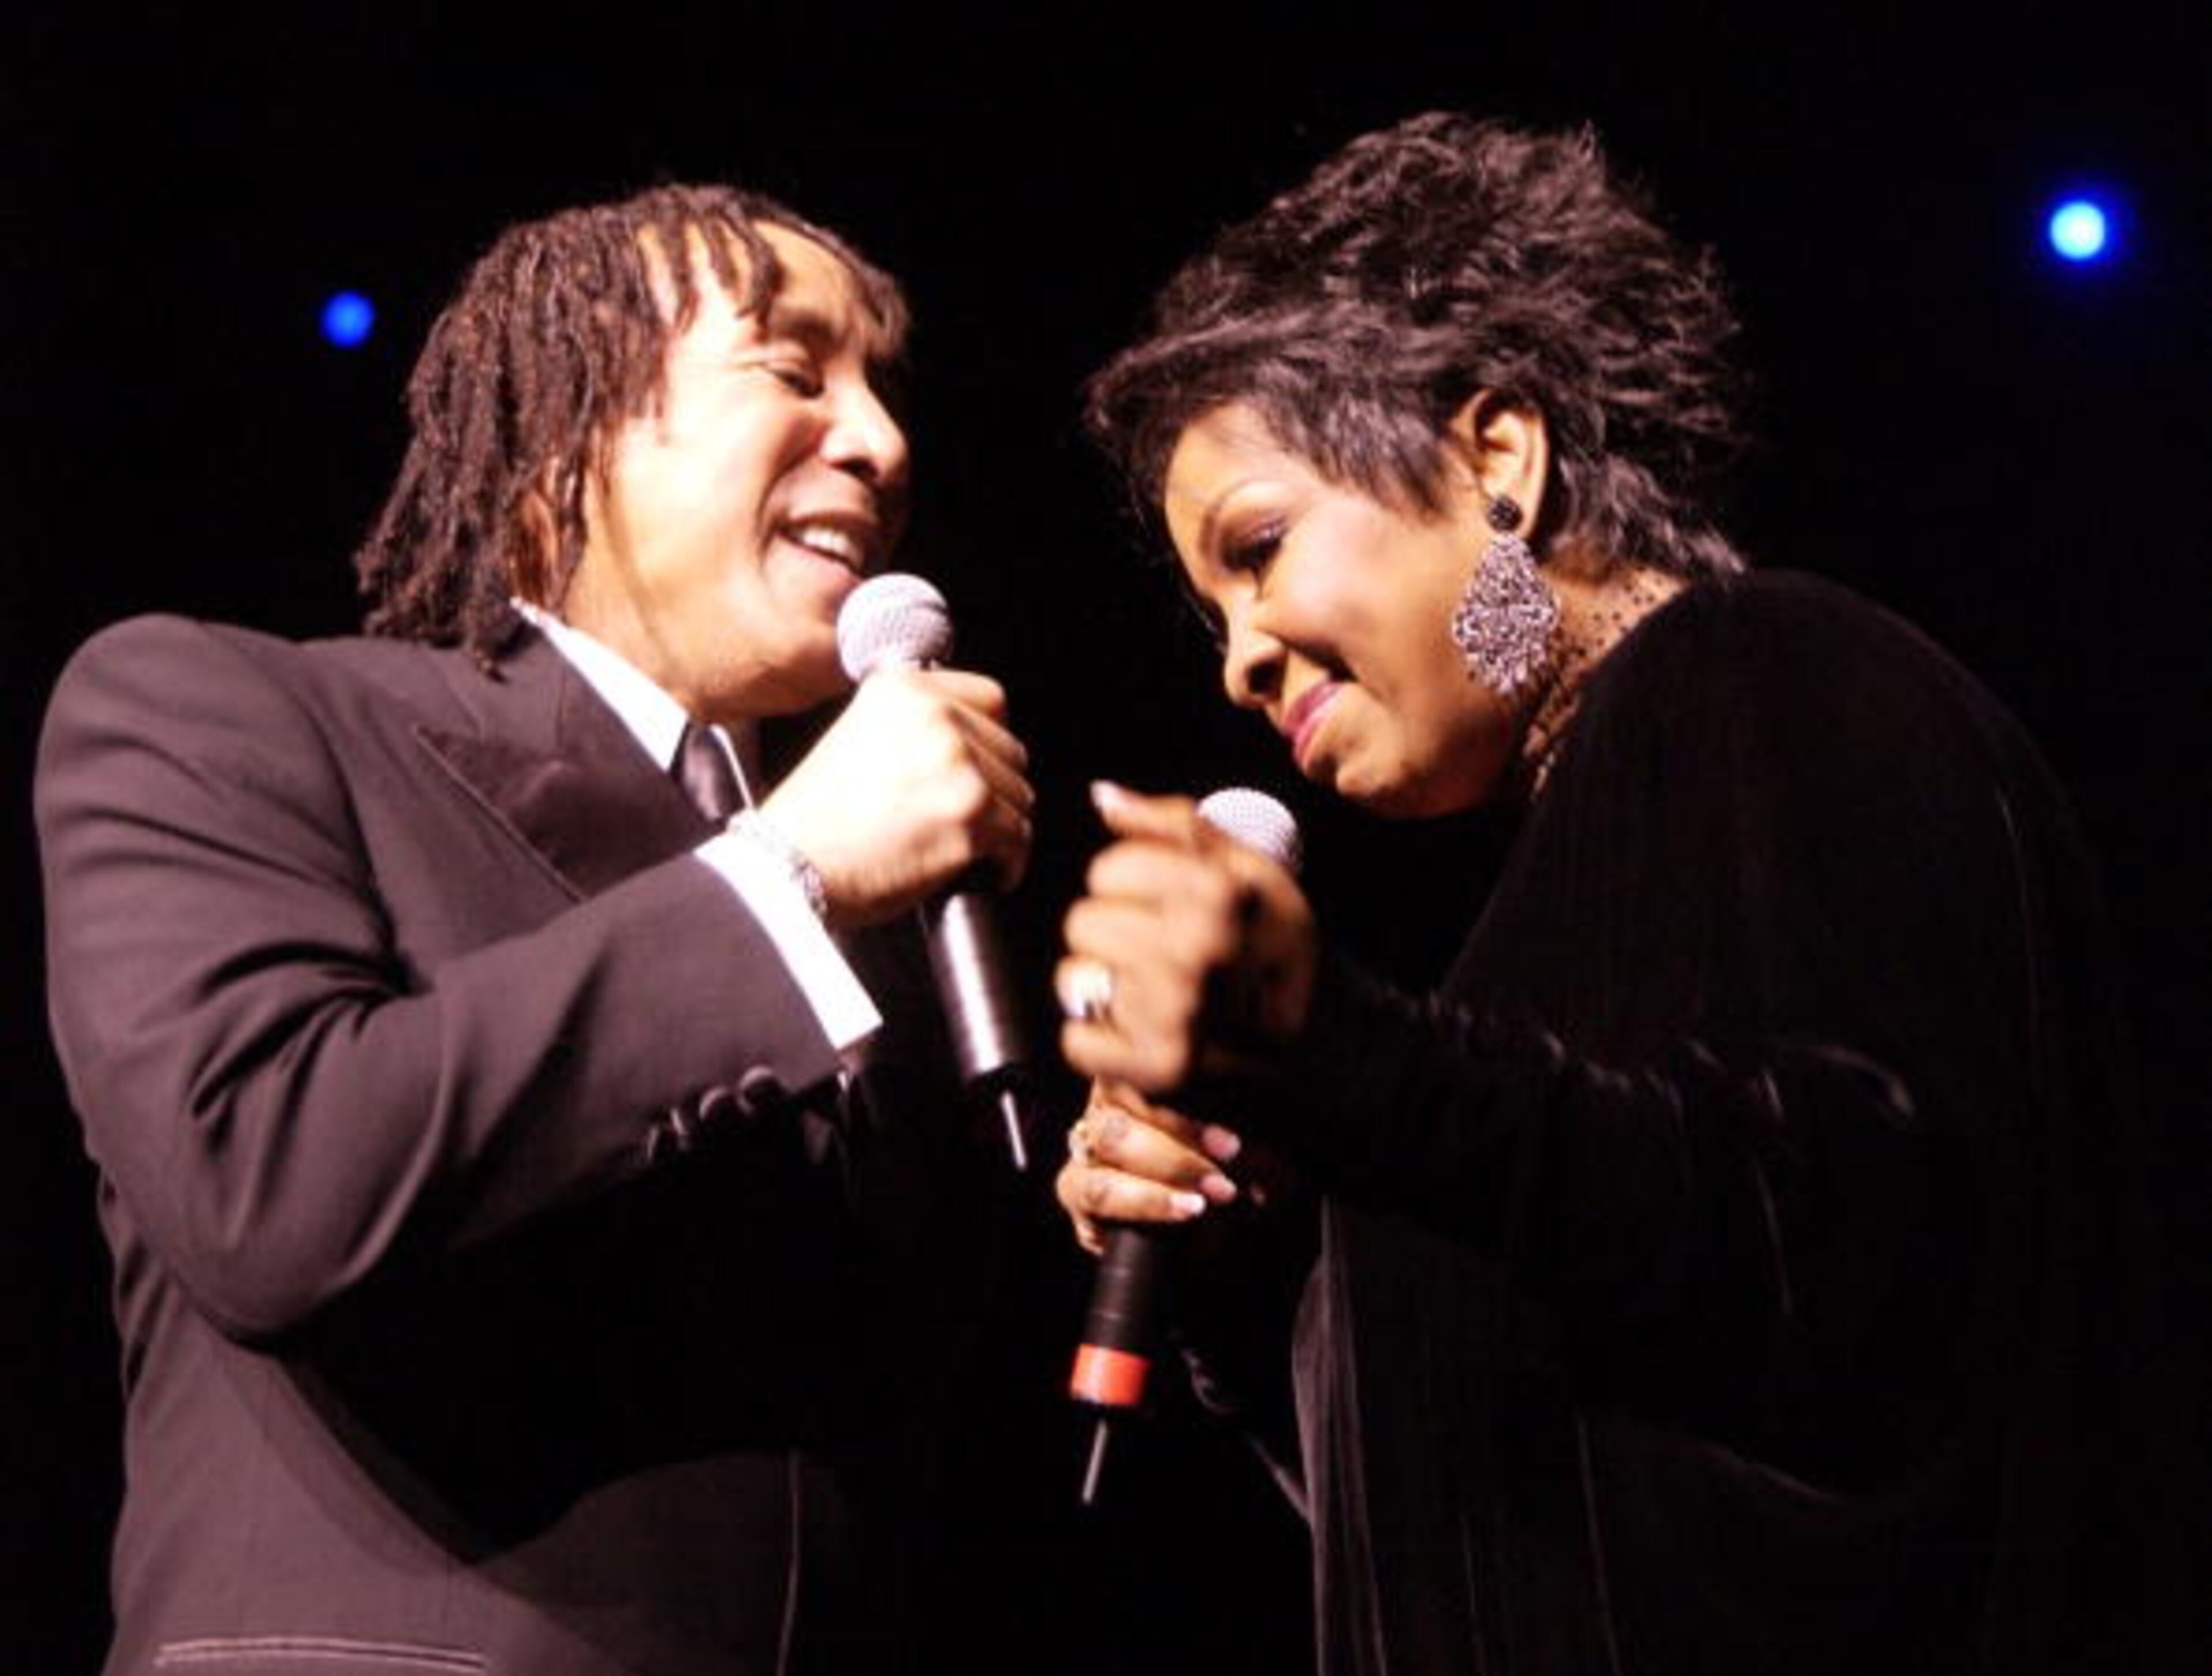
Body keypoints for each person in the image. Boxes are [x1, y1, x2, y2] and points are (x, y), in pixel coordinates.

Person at [1054, 115, 2177, 1674]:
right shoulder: (1533, 924)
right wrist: (1251, 1256)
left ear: (1496, 459)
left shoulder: (1774, 676)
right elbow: (1484, 1517)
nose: (1237, 660)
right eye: (1210, 611)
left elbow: (1858, 1254)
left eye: (1260, 549)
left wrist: (1349, 1065)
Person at [36, 183, 1036, 1675]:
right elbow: (266, 1175)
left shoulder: (872, 906)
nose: (883, 445)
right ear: (566, 445)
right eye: (792, 369)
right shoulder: (219, 711)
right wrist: (790, 877)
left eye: (886, 390)